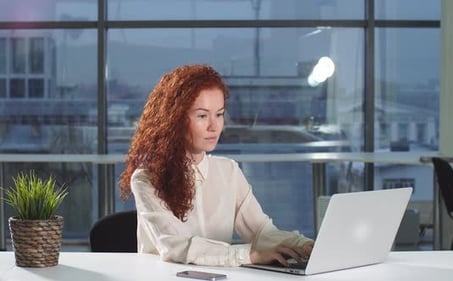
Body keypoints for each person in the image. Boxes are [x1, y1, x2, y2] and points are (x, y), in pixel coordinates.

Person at [119, 64, 314, 267]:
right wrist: (252, 255)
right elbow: (175, 246)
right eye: (202, 116)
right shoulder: (147, 178)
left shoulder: (228, 170)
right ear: (173, 120)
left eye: (219, 114)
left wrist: (304, 245)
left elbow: (262, 232)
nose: (214, 126)